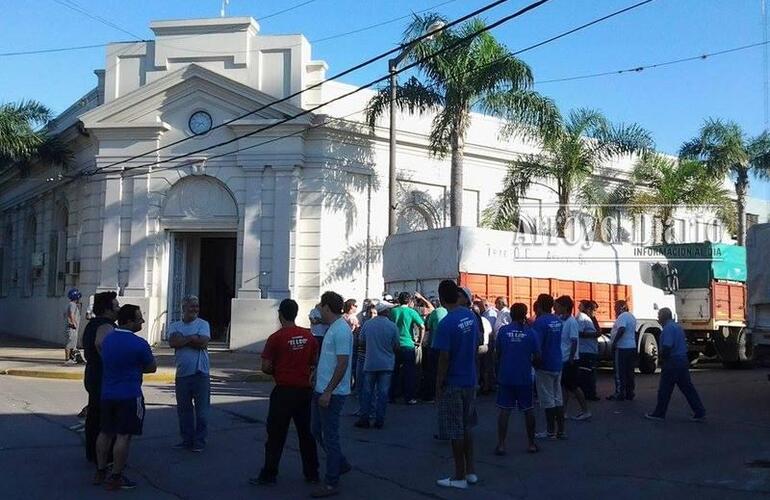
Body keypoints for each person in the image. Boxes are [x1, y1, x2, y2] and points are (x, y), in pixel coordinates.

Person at [254, 299, 320, 486]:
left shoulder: (276, 338)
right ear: (296, 313)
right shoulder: (308, 337)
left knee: (276, 434)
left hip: (283, 391)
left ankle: (269, 473)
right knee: (306, 434)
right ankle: (312, 473)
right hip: (304, 391)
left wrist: (278, 369)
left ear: (280, 314)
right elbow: (314, 361)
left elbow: (265, 366)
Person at [94, 305, 157, 490]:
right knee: (124, 436)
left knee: (105, 432)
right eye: (139, 319)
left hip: (107, 394)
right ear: (129, 321)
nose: (142, 322)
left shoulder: (108, 341)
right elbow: (151, 367)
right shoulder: (139, 344)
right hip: (130, 395)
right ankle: (116, 476)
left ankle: (100, 470)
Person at [434, 280, 479, 490]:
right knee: (467, 426)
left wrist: (438, 386)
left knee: (455, 430)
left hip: (453, 381)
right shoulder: (470, 316)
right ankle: (470, 471)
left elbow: (444, 358)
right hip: (470, 379)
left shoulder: (446, 324)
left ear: (442, 298)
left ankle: (459, 476)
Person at [311, 291, 354, 498]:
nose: (320, 309)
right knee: (316, 429)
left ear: (328, 307)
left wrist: (328, 391)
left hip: (333, 393)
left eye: (322, 306)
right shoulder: (332, 328)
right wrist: (316, 373)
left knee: (330, 436)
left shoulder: (341, 330)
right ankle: (340, 463)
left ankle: (331, 481)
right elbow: (329, 359)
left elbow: (343, 363)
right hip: (322, 389)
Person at [645, 308, 706, 422]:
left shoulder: (668, 329)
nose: (658, 318)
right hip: (682, 360)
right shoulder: (677, 327)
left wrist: (663, 358)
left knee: (664, 389)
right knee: (688, 388)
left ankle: (659, 413)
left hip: (672, 362)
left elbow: (668, 346)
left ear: (664, 316)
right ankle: (700, 411)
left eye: (659, 315)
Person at [495, 303, 540, 454]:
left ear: (511, 314)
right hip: (524, 376)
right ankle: (531, 444)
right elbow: (537, 356)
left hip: (506, 375)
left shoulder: (503, 331)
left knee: (505, 410)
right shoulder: (531, 333)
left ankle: (501, 445)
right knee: (528, 410)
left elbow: (498, 352)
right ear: (525, 314)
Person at [168, 295, 211, 452]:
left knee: (202, 412)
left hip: (201, 373)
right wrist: (193, 338)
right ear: (183, 308)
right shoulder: (174, 325)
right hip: (182, 374)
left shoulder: (203, 324)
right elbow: (173, 342)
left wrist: (184, 339)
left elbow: (203, 342)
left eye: (196, 306)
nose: (195, 309)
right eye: (191, 306)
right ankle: (186, 440)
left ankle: (199, 441)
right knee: (184, 411)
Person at [82, 291, 119, 463]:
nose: (118, 308)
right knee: (104, 418)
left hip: (93, 373)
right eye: (116, 306)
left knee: (94, 414)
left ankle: (92, 452)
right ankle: (104, 456)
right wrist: (112, 362)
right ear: (107, 309)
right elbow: (100, 344)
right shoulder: (106, 325)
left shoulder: (92, 324)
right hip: (102, 375)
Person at [355, 301, 399, 429]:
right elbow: (396, 345)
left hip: (370, 362)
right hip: (386, 363)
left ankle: (364, 418)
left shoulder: (368, 324)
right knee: (383, 393)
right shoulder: (392, 326)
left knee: (367, 391)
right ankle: (379, 419)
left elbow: (361, 341)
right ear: (386, 312)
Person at [531, 294, 565, 440]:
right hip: (557, 362)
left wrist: (534, 361)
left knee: (547, 399)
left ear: (539, 305)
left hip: (545, 364)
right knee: (558, 398)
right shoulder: (557, 320)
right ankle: (561, 431)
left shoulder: (540, 322)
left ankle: (550, 431)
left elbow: (537, 345)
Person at [556, 296, 591, 422]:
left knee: (574, 386)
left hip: (570, 359)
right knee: (565, 386)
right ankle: (564, 411)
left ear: (564, 307)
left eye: (558, 306)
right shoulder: (560, 320)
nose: (555, 308)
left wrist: (571, 358)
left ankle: (586, 411)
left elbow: (574, 341)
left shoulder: (572, 322)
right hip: (563, 358)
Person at [389, 292, 425, 405]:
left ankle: (391, 396)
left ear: (399, 300)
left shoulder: (393, 311)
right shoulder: (411, 312)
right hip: (408, 345)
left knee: (394, 372)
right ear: (409, 301)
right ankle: (409, 397)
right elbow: (422, 326)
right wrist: (419, 340)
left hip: (395, 345)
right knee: (409, 372)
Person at [608, 300, 637, 401]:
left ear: (622, 307)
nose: (614, 308)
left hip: (622, 348)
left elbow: (621, 329)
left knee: (620, 372)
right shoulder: (631, 316)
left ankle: (620, 393)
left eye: (616, 306)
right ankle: (630, 392)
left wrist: (615, 342)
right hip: (631, 347)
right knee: (629, 371)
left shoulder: (622, 316)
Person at [422, 298, 448, 403]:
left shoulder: (435, 312)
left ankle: (431, 395)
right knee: (444, 371)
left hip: (434, 346)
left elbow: (428, 326)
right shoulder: (447, 312)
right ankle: (443, 394)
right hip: (446, 347)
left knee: (432, 372)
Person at [576, 300, 601, 401]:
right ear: (588, 309)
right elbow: (579, 333)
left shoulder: (590, 318)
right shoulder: (582, 317)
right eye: (594, 310)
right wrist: (594, 334)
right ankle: (588, 394)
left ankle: (591, 393)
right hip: (585, 350)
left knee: (591, 373)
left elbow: (598, 330)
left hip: (591, 349)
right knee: (586, 374)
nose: (595, 312)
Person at [343, 299, 361, 391]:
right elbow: (357, 329)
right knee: (353, 362)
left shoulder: (342, 317)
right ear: (351, 306)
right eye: (356, 306)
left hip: (344, 340)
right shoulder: (352, 317)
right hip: (352, 340)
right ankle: (353, 384)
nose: (357, 308)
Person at [64, 288, 83, 364]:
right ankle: (67, 359)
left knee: (73, 343)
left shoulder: (71, 304)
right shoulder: (72, 304)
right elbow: (71, 314)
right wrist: (74, 323)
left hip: (72, 327)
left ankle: (72, 358)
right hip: (72, 327)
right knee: (69, 343)